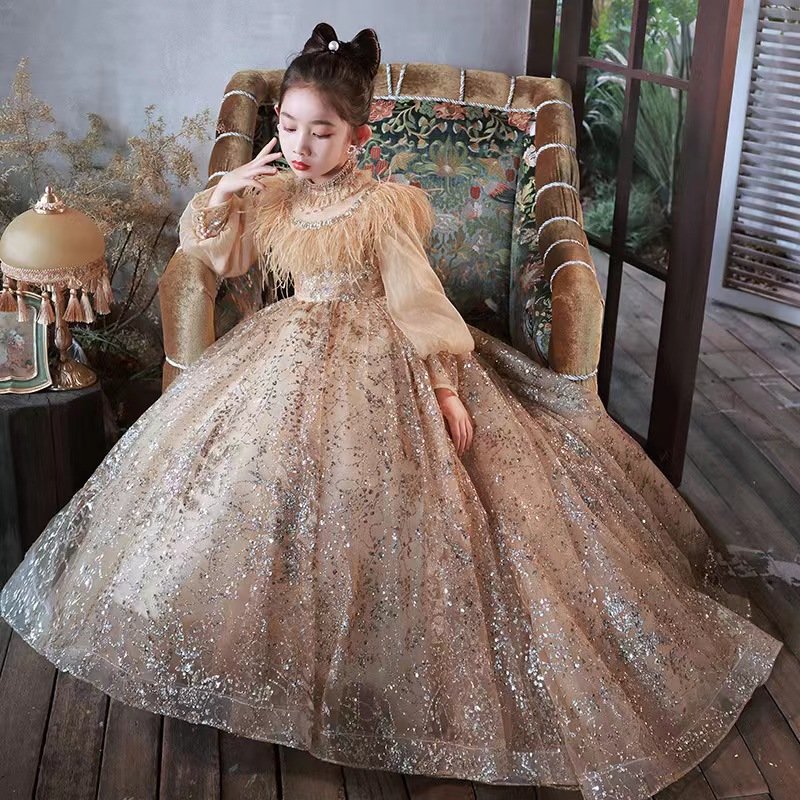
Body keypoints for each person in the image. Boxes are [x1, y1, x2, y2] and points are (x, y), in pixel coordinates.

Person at [0, 22, 783, 800]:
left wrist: (445, 387)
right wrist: (223, 194)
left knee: (394, 500)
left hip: (381, 353)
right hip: (283, 351)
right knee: (244, 486)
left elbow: (419, 300)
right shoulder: (271, 197)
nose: (300, 145)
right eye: (288, 126)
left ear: (357, 135)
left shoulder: (384, 206)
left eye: (321, 131)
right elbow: (222, 259)